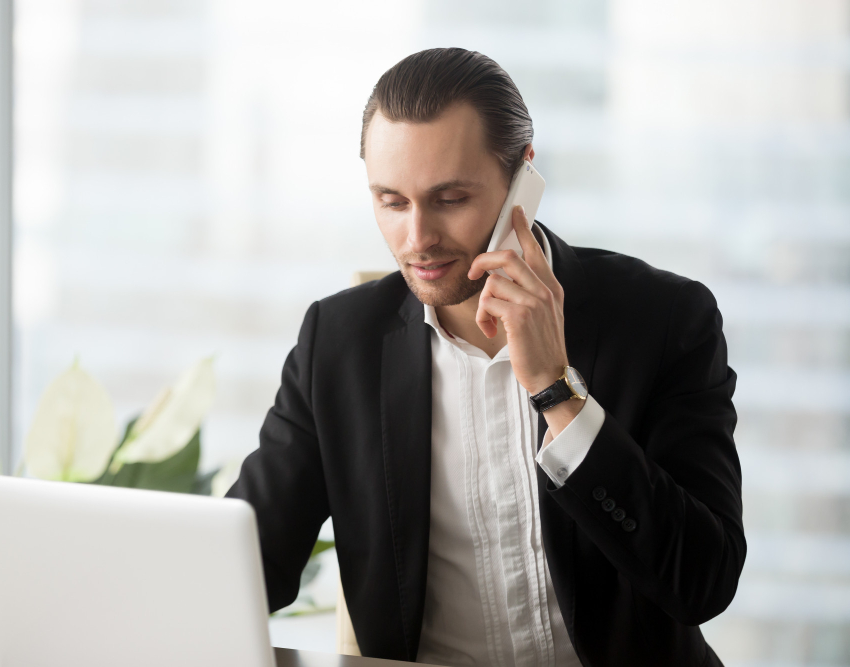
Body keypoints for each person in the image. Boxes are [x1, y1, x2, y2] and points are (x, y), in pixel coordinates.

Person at [227, 47, 744, 667]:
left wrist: (557, 391)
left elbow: (703, 582)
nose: (416, 240)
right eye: (391, 202)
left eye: (449, 199)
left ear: (523, 176)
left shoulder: (663, 318)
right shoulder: (338, 343)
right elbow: (251, 567)